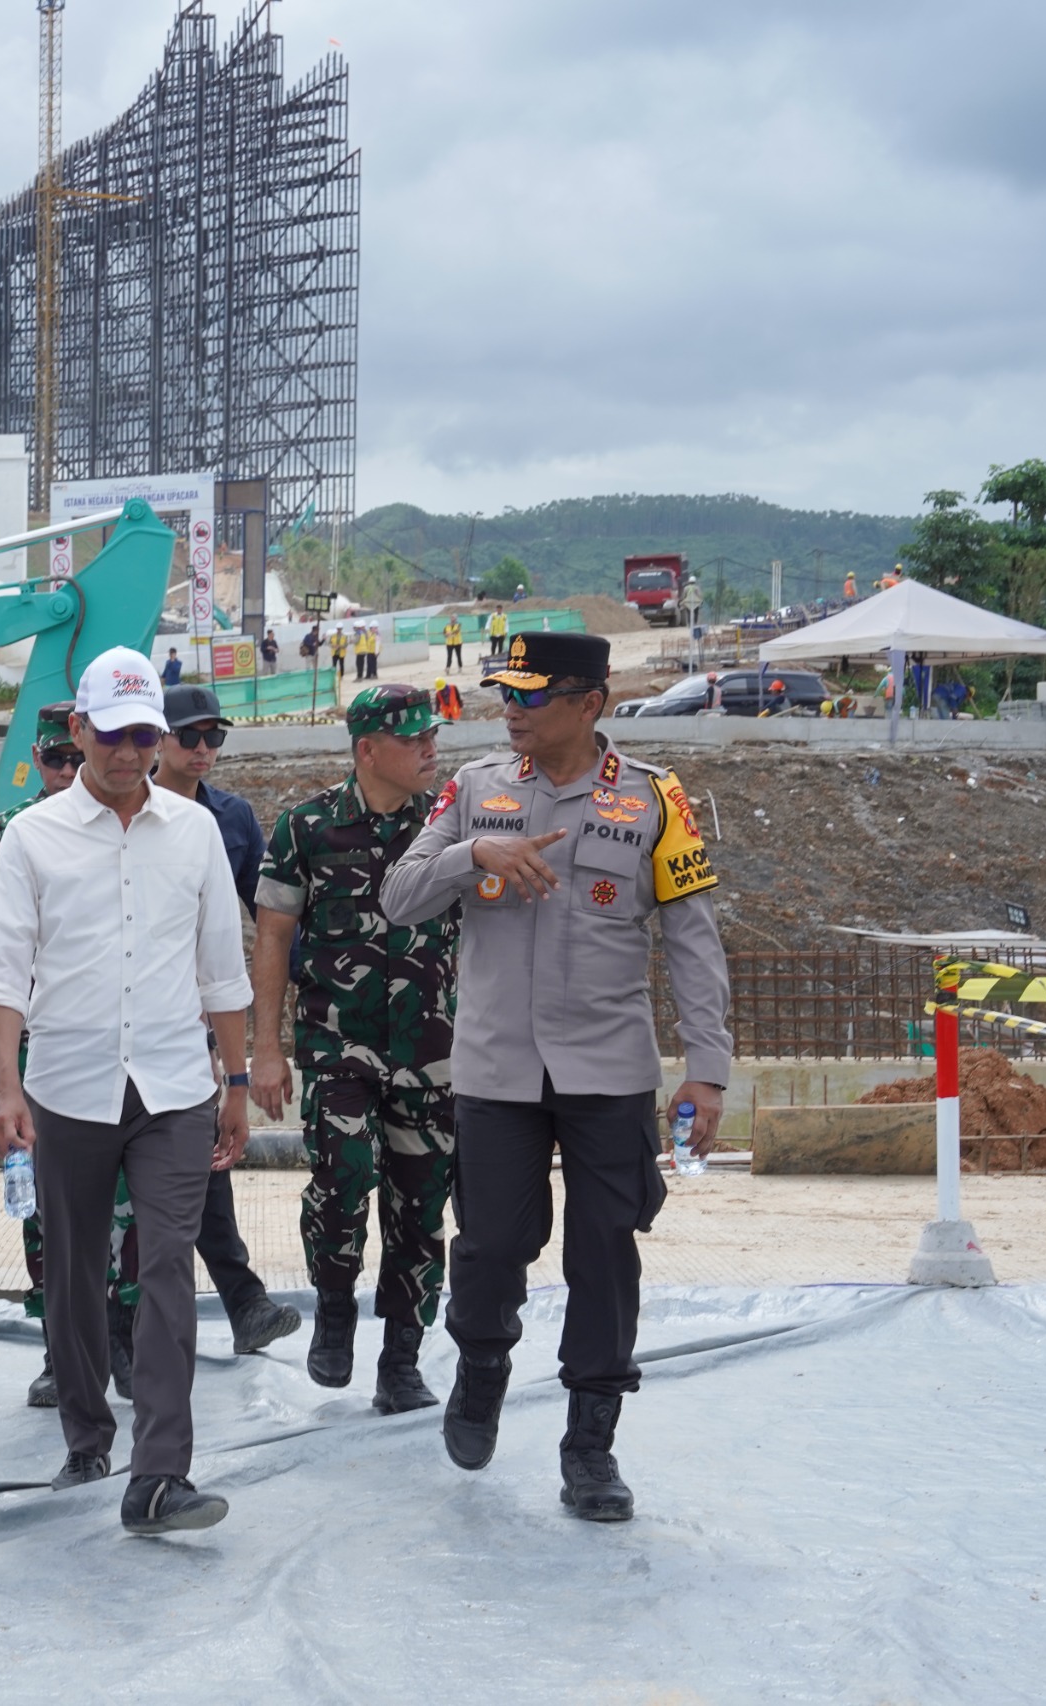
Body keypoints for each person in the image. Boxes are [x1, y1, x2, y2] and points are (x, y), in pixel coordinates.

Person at [380, 631, 733, 1524]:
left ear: (591, 704)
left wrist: (709, 1069)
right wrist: (475, 858)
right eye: (509, 693)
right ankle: (482, 1368)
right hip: (496, 1069)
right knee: (493, 1243)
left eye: (534, 696)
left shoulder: (657, 799)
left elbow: (691, 937)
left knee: (604, 1256)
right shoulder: (474, 790)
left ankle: (590, 1444)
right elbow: (399, 895)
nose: (514, 709)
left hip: (608, 1070)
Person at [0, 645, 254, 1535]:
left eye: (145, 735)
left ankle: (160, 1476)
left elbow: (223, 970)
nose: (129, 753)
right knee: (73, 1271)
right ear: (76, 730)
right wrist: (7, 1089)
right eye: (112, 734)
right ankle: (87, 1432)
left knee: (169, 1265)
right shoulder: (32, 837)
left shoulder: (196, 832)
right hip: (67, 1087)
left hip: (174, 1087)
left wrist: (238, 1081)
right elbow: (4, 974)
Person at [251, 686, 457, 1412]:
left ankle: (401, 1355)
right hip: (338, 1045)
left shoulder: (450, 824)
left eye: (433, 734)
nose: (430, 749)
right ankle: (334, 1307)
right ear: (367, 750)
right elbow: (273, 936)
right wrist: (266, 1048)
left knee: (420, 1207)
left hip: (432, 1051)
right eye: (413, 739)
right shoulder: (307, 827)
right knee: (344, 1179)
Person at [0, 702, 138, 1409]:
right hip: (32, 1049)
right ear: (38, 758)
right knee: (44, 1205)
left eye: (75, 757)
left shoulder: (130, 826)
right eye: (55, 760)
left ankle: (122, 1331)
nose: (67, 771)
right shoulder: (10, 833)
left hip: (112, 1045)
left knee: (130, 1202)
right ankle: (62, 1346)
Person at [151, 684, 301, 1356]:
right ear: (159, 738)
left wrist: (303, 987)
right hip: (122, 1016)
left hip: (198, 1015)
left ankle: (242, 1299)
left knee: (205, 1152)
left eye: (216, 737)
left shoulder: (231, 818)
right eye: (191, 737)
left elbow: (268, 915)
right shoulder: (127, 810)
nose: (205, 750)